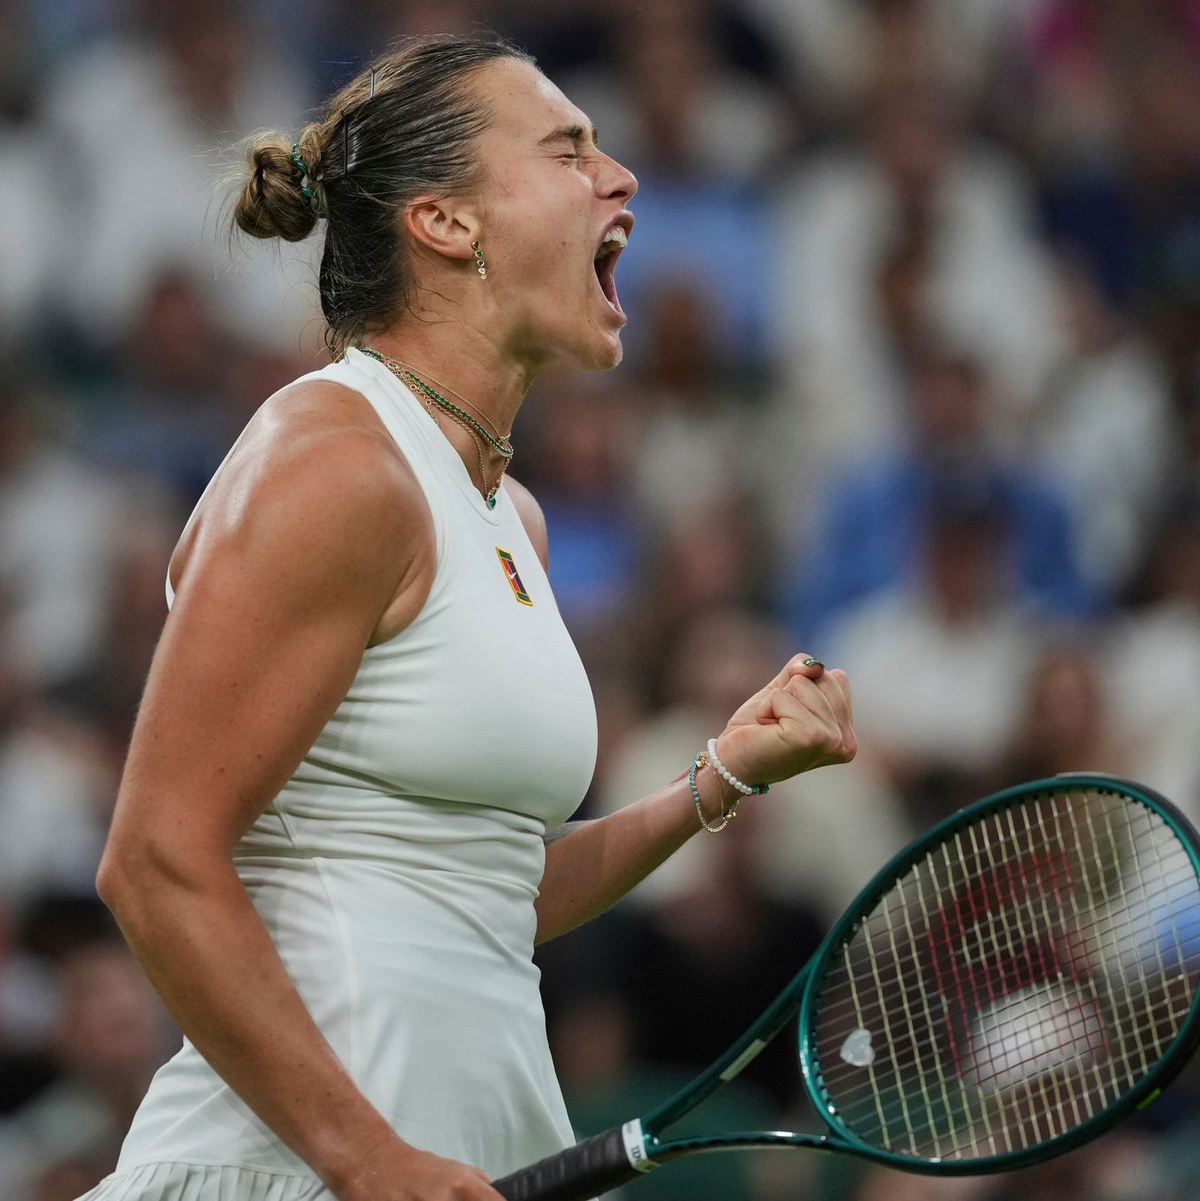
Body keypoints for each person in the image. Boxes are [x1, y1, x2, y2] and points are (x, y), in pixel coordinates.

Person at [78, 34, 856, 1201]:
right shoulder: (330, 463)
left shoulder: (510, 515)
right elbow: (154, 861)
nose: (621, 177)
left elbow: (485, 892)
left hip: (458, 1158)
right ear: (448, 223)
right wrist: (364, 1154)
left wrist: (713, 781)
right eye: (568, 150)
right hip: (298, 1170)